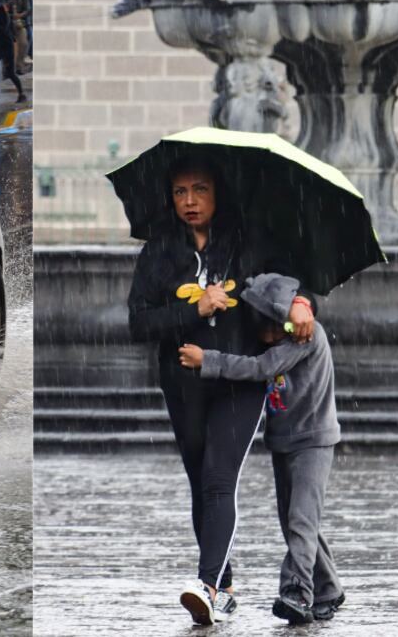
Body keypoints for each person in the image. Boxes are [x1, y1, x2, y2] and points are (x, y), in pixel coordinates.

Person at [127, 156, 317, 625]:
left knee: (218, 478)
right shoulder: (158, 251)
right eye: (179, 192)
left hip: (239, 380)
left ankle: (207, 585)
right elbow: (138, 322)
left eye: (200, 190)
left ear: (218, 193)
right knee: (200, 481)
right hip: (182, 382)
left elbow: (291, 280)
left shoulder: (249, 240)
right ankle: (225, 586)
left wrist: (301, 301)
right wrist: (192, 311)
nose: (189, 201)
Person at [178, 273, 344, 626]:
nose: (261, 336)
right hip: (285, 440)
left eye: (266, 327)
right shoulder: (281, 334)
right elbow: (259, 284)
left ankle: (297, 592)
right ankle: (328, 588)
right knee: (296, 520)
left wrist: (207, 359)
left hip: (313, 440)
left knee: (301, 520)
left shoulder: (304, 336)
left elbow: (260, 368)